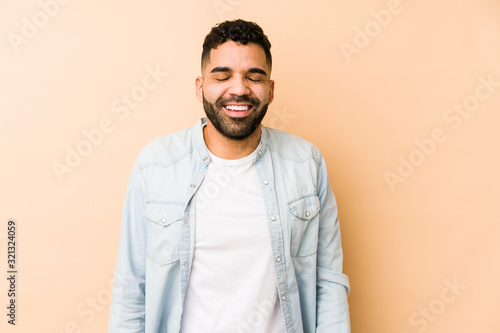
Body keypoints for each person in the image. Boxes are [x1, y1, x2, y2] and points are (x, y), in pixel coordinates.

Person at [109, 19, 350, 333]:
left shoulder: (306, 163)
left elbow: (328, 282)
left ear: (271, 90)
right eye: (222, 76)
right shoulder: (156, 165)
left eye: (254, 77)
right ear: (200, 87)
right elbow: (131, 286)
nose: (239, 89)